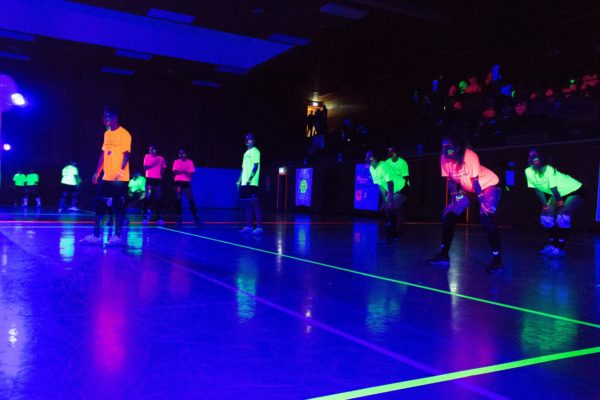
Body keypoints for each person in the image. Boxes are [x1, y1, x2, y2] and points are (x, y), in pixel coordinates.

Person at [428, 135, 503, 273]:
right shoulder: (444, 158)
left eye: (448, 146)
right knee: (448, 214)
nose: (445, 149)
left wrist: (483, 204)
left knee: (487, 218)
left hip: (487, 186)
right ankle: (444, 255)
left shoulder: (469, 156)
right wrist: (454, 201)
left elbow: (476, 182)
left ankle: (497, 261)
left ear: (457, 147)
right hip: (469, 189)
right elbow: (450, 181)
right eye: (443, 146)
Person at [79, 106, 131, 246]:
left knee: (117, 207)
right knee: (98, 204)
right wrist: (97, 172)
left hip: (119, 179)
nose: (105, 119)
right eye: (104, 117)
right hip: (107, 177)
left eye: (107, 117)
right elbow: (103, 154)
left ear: (115, 118)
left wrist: (120, 171)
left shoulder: (124, 134)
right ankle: (96, 235)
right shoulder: (107, 134)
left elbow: (126, 155)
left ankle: (117, 236)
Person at [525, 148, 584, 257]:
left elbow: (554, 190)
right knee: (545, 219)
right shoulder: (528, 171)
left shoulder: (549, 169)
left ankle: (561, 247)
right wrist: (545, 205)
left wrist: (561, 206)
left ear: (541, 158)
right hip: (558, 194)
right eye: (530, 155)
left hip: (574, 190)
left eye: (536, 155)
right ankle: (553, 244)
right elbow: (537, 189)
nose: (533, 157)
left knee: (563, 216)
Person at [237, 133, 262, 234]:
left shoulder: (256, 151)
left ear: (254, 140)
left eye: (250, 139)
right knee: (247, 204)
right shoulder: (245, 153)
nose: (248, 140)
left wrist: (249, 179)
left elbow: (256, 166)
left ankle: (259, 228)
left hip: (252, 183)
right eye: (247, 139)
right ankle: (249, 226)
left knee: (255, 204)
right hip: (244, 183)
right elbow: (243, 169)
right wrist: (239, 180)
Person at [366, 150, 394, 240]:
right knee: (383, 210)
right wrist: (385, 200)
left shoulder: (383, 166)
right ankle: (390, 231)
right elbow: (380, 185)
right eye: (367, 157)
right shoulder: (371, 168)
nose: (368, 159)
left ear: (376, 158)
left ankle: (394, 233)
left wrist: (389, 197)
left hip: (397, 188)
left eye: (370, 157)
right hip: (387, 191)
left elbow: (390, 182)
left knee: (390, 209)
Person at [385, 146, 410, 238]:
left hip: (402, 188)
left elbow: (405, 178)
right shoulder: (387, 163)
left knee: (396, 208)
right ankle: (394, 230)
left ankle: (397, 231)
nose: (391, 153)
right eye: (389, 151)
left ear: (397, 153)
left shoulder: (403, 163)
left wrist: (397, 190)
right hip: (391, 189)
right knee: (389, 208)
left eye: (393, 151)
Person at [172, 149, 201, 225]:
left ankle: (195, 215)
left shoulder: (190, 162)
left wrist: (183, 171)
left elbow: (191, 173)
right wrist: (184, 171)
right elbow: (175, 172)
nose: (181, 155)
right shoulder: (176, 161)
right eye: (180, 154)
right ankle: (179, 215)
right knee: (179, 198)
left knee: (190, 198)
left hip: (186, 182)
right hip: (178, 182)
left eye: (183, 154)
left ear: (186, 154)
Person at [142, 145, 166, 224]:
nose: (151, 151)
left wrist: (163, 166)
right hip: (149, 179)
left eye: (153, 149)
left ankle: (159, 217)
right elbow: (145, 168)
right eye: (150, 150)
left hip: (158, 179)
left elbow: (162, 170)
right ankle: (144, 217)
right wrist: (154, 163)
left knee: (158, 198)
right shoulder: (147, 156)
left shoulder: (160, 158)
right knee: (148, 196)